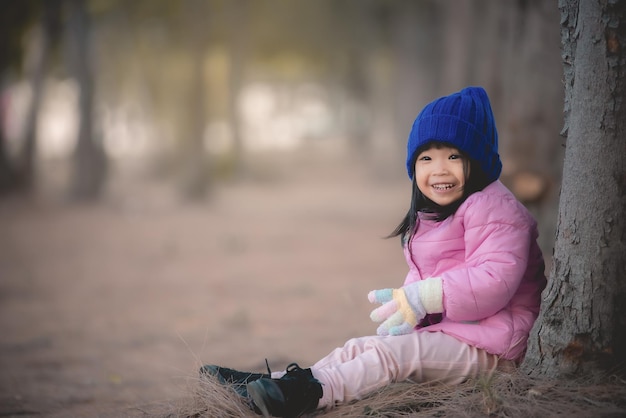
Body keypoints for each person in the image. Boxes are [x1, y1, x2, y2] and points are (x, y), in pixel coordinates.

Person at [200, 86, 547, 418]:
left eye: (454, 156)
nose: (439, 169)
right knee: (357, 347)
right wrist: (411, 308)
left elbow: (493, 282)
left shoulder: (497, 210)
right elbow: (429, 275)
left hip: (496, 349)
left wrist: (423, 297)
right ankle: (273, 383)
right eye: (426, 158)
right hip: (461, 335)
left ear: (479, 162)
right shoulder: (440, 214)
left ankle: (309, 395)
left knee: (390, 356)